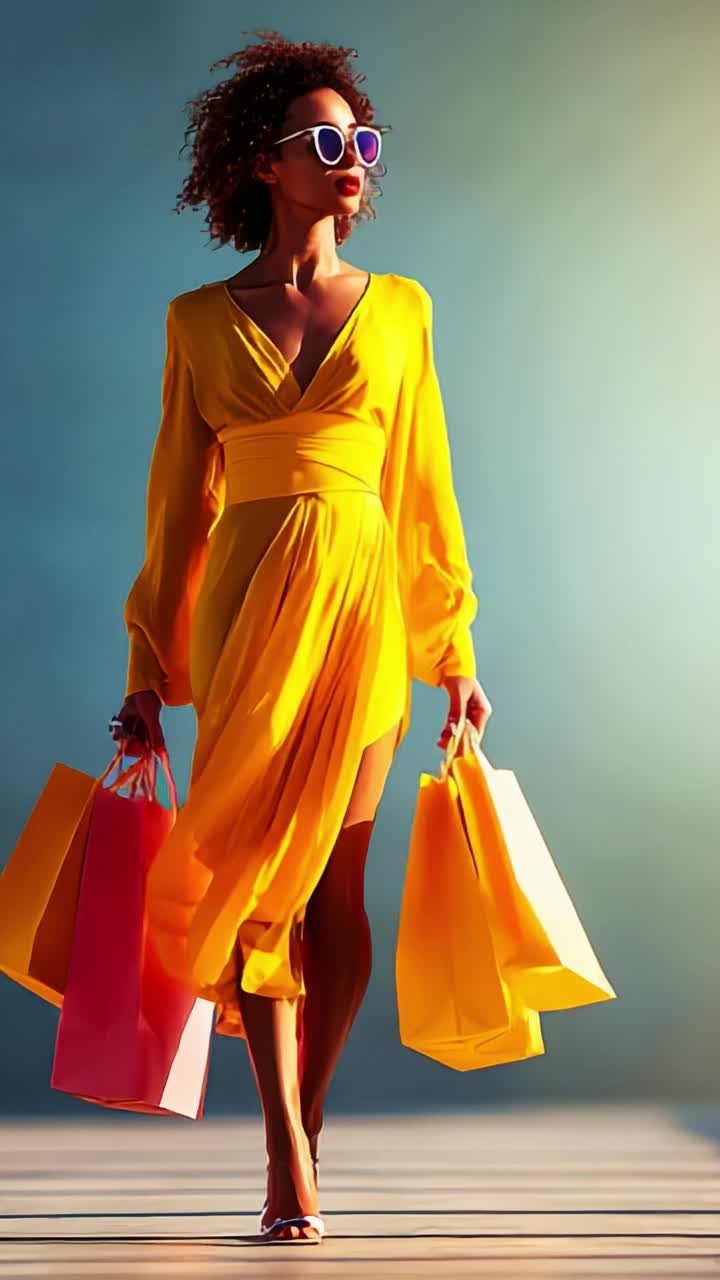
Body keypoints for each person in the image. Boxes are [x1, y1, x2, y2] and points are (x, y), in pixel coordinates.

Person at [110, 30, 492, 1245]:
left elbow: (426, 491)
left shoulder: (405, 310)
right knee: (259, 886)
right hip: (245, 620)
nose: (353, 164)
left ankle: (304, 1122)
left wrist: (456, 655)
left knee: (337, 892)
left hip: (368, 612)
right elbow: (177, 511)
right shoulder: (195, 321)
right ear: (262, 165)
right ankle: (285, 1159)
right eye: (326, 143)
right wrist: (145, 671)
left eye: (362, 143)